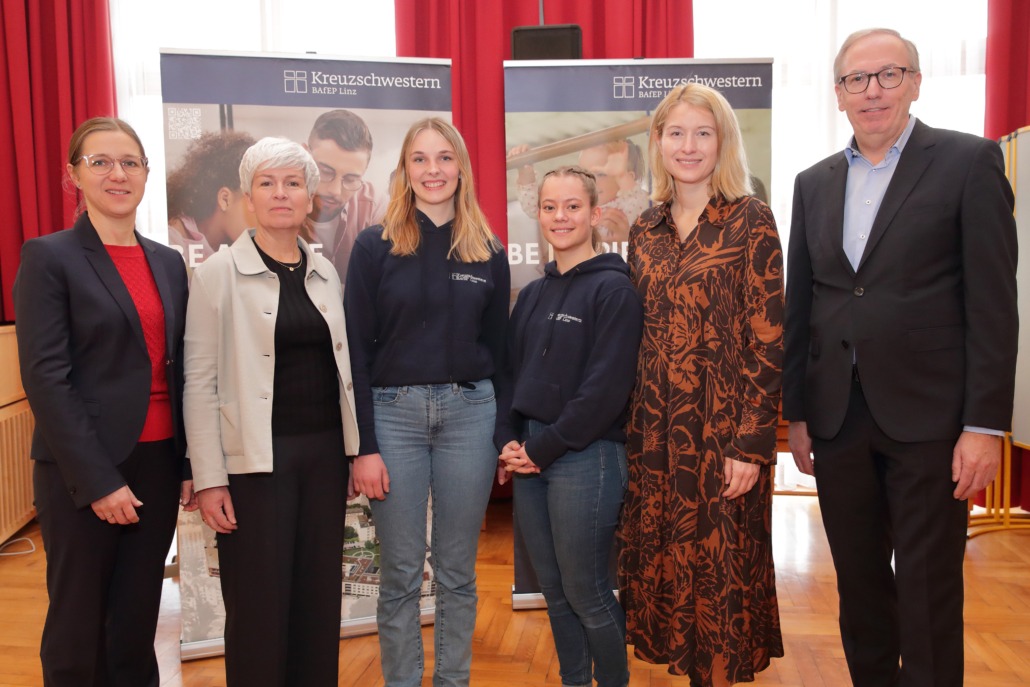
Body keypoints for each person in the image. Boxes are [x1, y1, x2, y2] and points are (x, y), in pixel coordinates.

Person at [784, 28, 1018, 687]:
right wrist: (796, 413)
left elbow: (995, 305)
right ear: (838, 95)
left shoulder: (969, 163)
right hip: (836, 417)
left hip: (932, 421)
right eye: (857, 80)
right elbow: (802, 304)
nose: (873, 91)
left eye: (889, 75)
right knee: (859, 587)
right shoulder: (813, 183)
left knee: (927, 586)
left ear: (915, 82)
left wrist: (985, 425)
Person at [13, 116, 193, 686]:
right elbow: (46, 377)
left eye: (130, 163)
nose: (118, 174)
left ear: (145, 174)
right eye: (101, 162)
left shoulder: (167, 262)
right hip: (84, 468)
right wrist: (98, 481)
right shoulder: (50, 257)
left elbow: (182, 369)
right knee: (78, 619)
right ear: (74, 175)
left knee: (138, 615)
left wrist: (189, 464)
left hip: (159, 463)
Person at [617, 83, 785, 687]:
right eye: (676, 133)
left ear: (723, 142)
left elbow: (769, 341)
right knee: (668, 569)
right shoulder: (644, 229)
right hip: (656, 434)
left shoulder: (750, 218)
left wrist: (751, 444)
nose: (689, 146)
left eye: (703, 133)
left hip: (722, 435)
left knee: (720, 577)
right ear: (658, 142)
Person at [184, 137, 360, 686]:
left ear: (309, 198)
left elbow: (342, 370)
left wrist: (353, 451)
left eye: (292, 183)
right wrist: (210, 479)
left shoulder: (326, 272)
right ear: (247, 197)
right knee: (258, 607)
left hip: (324, 459)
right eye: (267, 183)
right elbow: (199, 381)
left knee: (316, 601)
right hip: (254, 464)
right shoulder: (217, 274)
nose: (280, 194)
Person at [346, 117, 510, 687]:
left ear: (461, 168)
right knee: (398, 573)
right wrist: (362, 446)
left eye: (444, 158)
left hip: (471, 417)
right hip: (394, 419)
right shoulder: (375, 246)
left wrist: (504, 433)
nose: (433, 170)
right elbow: (356, 357)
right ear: (405, 170)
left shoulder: (488, 250)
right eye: (420, 159)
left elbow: (501, 352)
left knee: (458, 572)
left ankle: (452, 681)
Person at [497, 166, 643, 687]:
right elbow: (509, 375)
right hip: (533, 453)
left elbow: (605, 391)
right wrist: (509, 440)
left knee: (587, 592)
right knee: (554, 592)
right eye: (551, 207)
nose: (561, 217)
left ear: (595, 214)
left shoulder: (614, 292)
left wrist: (543, 448)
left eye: (573, 206)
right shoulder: (533, 294)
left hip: (588, 457)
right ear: (538, 215)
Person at [510, 138, 649, 246]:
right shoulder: (575, 204)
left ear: (628, 178)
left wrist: (621, 176)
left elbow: (640, 202)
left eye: (601, 174)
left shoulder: (624, 206)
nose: (591, 182)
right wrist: (525, 171)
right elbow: (536, 206)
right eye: (584, 174)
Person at [304, 108, 386, 283]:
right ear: (305, 155)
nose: (335, 191)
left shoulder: (375, 206)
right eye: (325, 172)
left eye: (350, 179)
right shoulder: (279, 201)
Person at [165, 129, 256, 268]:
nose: (261, 214)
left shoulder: (241, 248)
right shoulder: (172, 240)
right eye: (252, 202)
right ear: (225, 199)